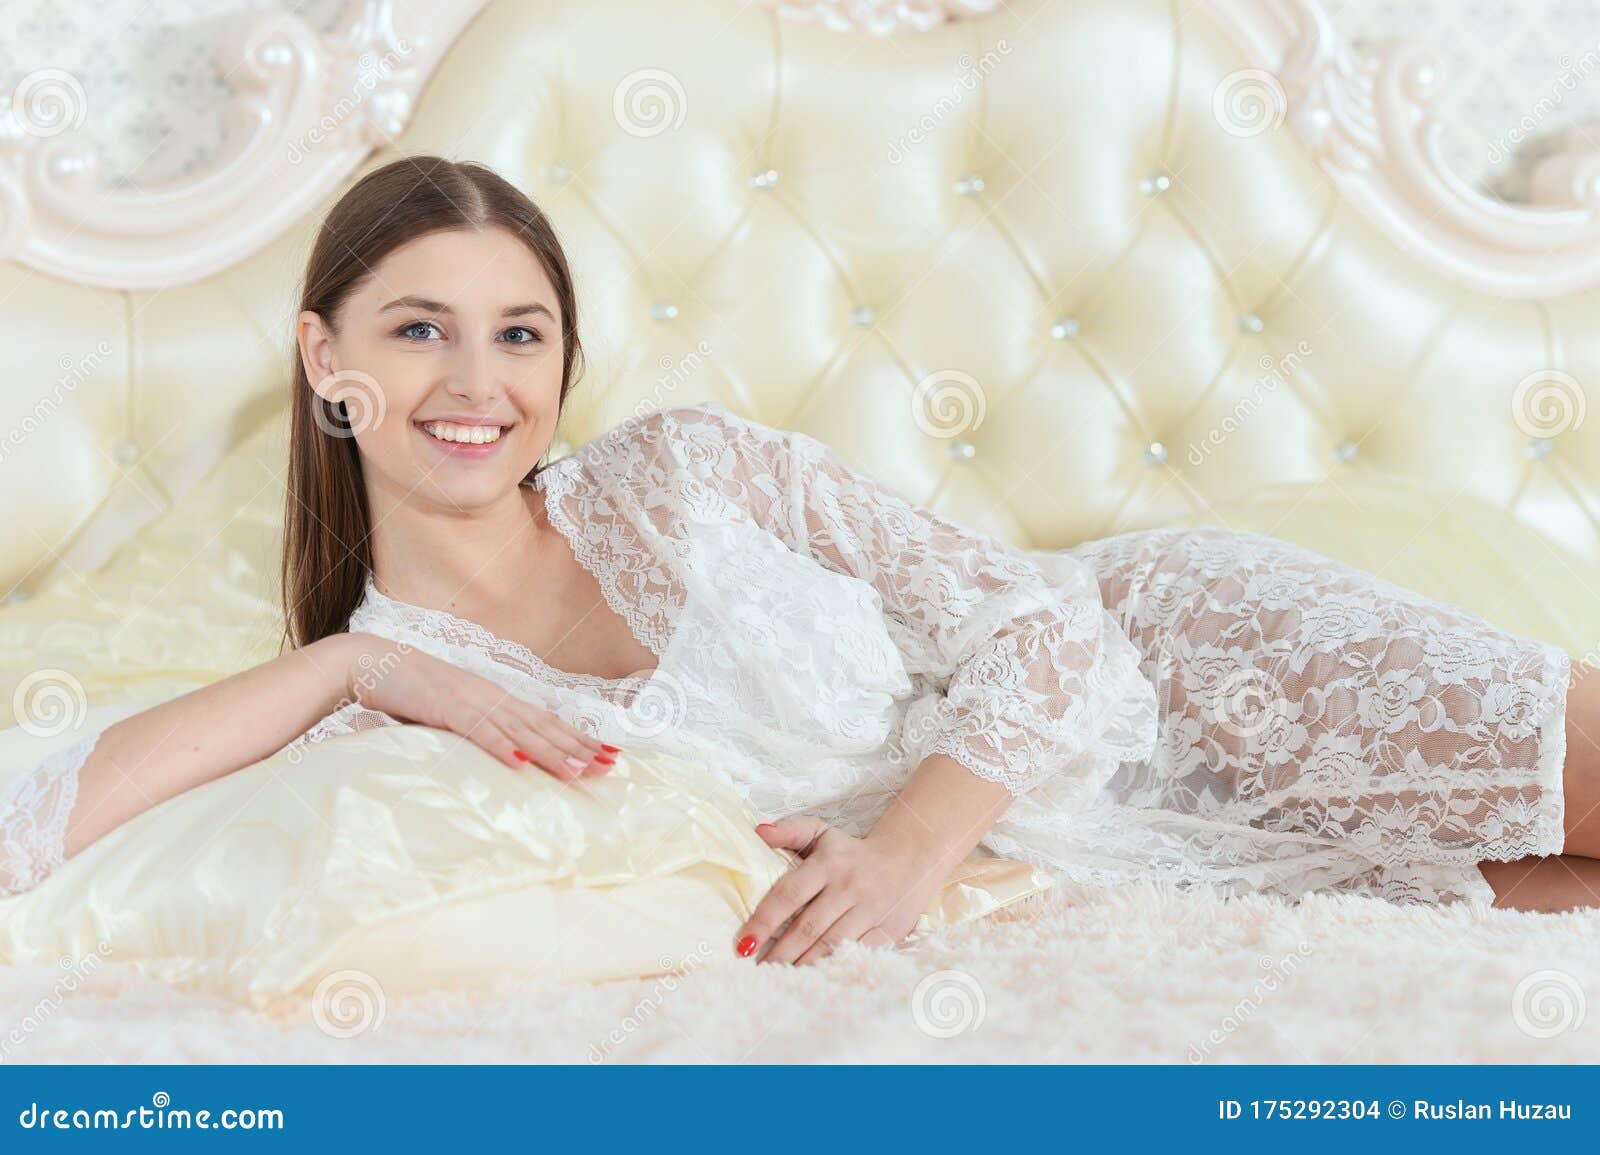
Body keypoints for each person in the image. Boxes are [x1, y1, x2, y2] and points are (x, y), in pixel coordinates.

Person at [2, 156, 1593, 967]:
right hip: (1125, 871)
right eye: (419, 331)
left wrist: (904, 854)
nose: (476, 384)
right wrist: (354, 657)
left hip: (1186, 667)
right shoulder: (394, 716)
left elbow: (1048, 628)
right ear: (322, 358)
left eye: (521, 334)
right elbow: (36, 824)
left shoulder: (687, 471)